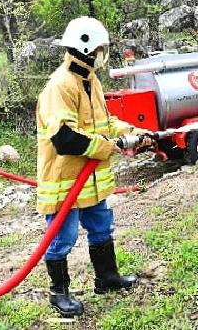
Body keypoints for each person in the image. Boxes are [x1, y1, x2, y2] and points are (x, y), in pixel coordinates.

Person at [36, 16, 153, 317]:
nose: (102, 54)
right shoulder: (60, 86)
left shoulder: (90, 80)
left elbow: (104, 123)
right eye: (100, 48)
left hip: (91, 181)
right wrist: (107, 147)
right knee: (63, 237)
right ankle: (58, 293)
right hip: (65, 181)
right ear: (85, 47)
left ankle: (107, 277)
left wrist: (129, 132)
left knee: (102, 226)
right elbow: (64, 138)